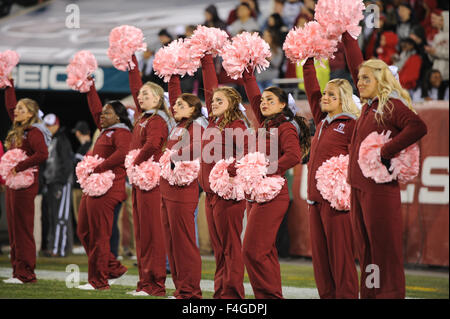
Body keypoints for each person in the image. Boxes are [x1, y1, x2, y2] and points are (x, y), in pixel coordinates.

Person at [342, 31, 428, 299]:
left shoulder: (389, 104)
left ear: (381, 80)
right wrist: (347, 37)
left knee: (383, 251)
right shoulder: (369, 106)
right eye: (359, 78)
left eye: (366, 78)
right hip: (359, 188)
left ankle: (389, 294)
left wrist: (386, 151)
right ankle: (370, 294)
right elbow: (355, 62)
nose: (360, 82)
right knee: (367, 251)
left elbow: (418, 126)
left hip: (379, 191)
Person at [241, 70, 311, 299]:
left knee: (252, 250)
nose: (264, 103)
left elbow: (293, 156)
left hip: (272, 193)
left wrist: (264, 170)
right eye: (263, 100)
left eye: (270, 100)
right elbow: (253, 96)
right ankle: (271, 296)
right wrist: (247, 72)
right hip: (257, 192)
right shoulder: (265, 123)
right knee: (265, 251)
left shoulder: (286, 126)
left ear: (283, 105)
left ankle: (268, 297)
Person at [302, 57, 360, 299]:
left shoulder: (351, 124)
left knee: (341, 258)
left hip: (337, 205)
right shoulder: (322, 122)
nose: (325, 97)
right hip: (315, 201)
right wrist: (307, 62)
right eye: (325, 94)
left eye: (332, 95)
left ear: (343, 100)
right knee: (321, 261)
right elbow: (312, 90)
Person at [199, 54, 250, 299]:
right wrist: (206, 59)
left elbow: (247, 154)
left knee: (230, 247)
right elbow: (210, 86)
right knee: (219, 248)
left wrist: (229, 173)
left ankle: (233, 294)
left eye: (220, 100)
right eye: (213, 100)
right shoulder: (214, 122)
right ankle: (220, 292)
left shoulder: (237, 126)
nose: (213, 102)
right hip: (210, 194)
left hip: (227, 195)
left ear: (231, 104)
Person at [127, 55, 175, 296]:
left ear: (158, 98)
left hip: (152, 181)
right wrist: (131, 62)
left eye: (147, 95)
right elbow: (134, 86)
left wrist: (135, 162)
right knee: (142, 233)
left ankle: (155, 284)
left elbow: (154, 144)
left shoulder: (157, 119)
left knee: (153, 235)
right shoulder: (143, 118)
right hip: (140, 180)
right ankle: (144, 283)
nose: (141, 97)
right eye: (140, 95)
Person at [76, 80, 131, 290]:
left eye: (107, 113)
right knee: (84, 231)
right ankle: (113, 268)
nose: (102, 116)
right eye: (103, 114)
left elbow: (123, 154)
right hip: (93, 187)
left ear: (118, 115)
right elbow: (95, 109)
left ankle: (98, 281)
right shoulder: (105, 129)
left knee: (100, 235)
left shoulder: (122, 132)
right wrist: (90, 87)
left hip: (109, 188)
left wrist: (99, 167)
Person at [159, 74, 207, 299]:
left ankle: (190, 292)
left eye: (180, 104)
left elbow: (197, 149)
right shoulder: (177, 126)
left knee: (184, 243)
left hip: (183, 190)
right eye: (175, 104)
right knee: (172, 243)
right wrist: (171, 75)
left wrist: (173, 158)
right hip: (167, 190)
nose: (175, 106)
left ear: (193, 110)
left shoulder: (196, 125)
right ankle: (180, 289)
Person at [3, 77, 49, 284]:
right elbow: (10, 105)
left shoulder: (35, 131)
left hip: (26, 184)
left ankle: (27, 273)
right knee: (13, 227)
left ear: (31, 113)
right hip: (13, 184)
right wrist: (9, 84)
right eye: (17, 109)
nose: (17, 112)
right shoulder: (18, 130)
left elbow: (42, 154)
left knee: (22, 228)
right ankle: (17, 271)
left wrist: (19, 166)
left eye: (22, 109)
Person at [42, 113, 74, 258]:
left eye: (50, 125)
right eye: (46, 125)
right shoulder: (50, 140)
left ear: (57, 125)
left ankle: (59, 249)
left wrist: (61, 182)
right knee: (53, 216)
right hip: (51, 182)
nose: (48, 128)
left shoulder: (62, 140)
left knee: (61, 217)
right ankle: (54, 246)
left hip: (61, 183)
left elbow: (68, 164)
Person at [71, 120, 92, 224]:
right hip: (90, 189)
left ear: (77, 133)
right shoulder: (94, 146)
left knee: (81, 220)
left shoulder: (82, 149)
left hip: (80, 189)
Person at [425, 10, 449, 82]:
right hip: (436, 72)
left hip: (447, 74)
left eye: (442, 19)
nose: (440, 21)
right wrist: (430, 52)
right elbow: (432, 59)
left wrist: (435, 52)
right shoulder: (437, 36)